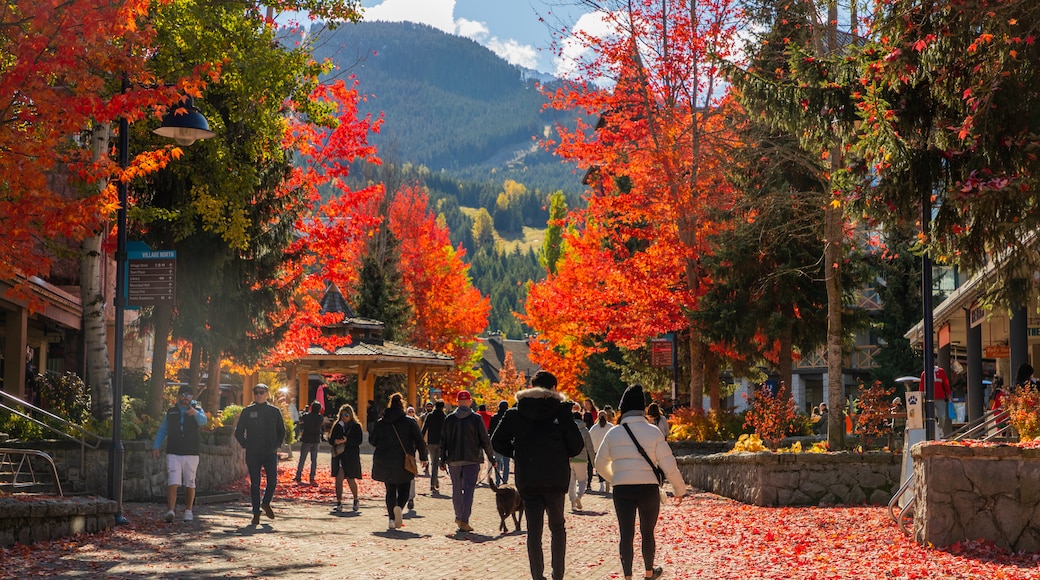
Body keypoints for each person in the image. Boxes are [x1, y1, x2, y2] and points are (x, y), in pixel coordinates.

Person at [491, 370, 585, 580]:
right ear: (553, 388)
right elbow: (577, 445)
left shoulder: (516, 412)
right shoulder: (561, 413)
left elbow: (497, 441)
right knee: (557, 527)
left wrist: (517, 452)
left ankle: (537, 576)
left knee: (534, 531)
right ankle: (557, 575)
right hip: (556, 478)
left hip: (528, 479)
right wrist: (561, 453)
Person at [595, 384, 687, 580]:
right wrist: (679, 489)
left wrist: (616, 478)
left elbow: (599, 464)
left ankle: (627, 576)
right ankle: (648, 572)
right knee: (647, 532)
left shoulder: (613, 433)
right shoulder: (654, 432)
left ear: (623, 408)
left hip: (622, 490)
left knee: (626, 534)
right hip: (648, 489)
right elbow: (668, 464)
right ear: (642, 408)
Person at [370, 393, 428, 531]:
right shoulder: (409, 422)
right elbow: (419, 440)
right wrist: (424, 457)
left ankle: (391, 518)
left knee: (390, 490)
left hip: (384, 459)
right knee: (404, 489)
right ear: (402, 405)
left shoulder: (381, 422)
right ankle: (399, 507)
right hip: (404, 459)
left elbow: (373, 441)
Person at [441, 389, 495, 532]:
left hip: (453, 460)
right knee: (469, 489)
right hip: (472, 459)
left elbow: (443, 441)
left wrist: (442, 460)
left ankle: (458, 515)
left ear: (458, 402)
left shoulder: (449, 419)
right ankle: (464, 519)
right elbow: (485, 439)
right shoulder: (476, 419)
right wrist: (491, 457)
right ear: (470, 401)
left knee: (456, 489)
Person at [152, 385, 208, 522]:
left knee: (190, 481)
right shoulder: (171, 412)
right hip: (174, 451)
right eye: (183, 394)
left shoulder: (197, 410)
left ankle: (188, 510)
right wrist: (156, 446)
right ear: (178, 396)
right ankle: (171, 510)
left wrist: (195, 413)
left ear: (192, 397)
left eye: (189, 394)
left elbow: (203, 421)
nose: (185, 397)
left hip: (191, 451)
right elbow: (163, 429)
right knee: (173, 480)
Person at [234, 383, 286, 526]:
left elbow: (281, 431)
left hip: (270, 452)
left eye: (261, 392)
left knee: (273, 481)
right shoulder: (247, 411)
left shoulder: (274, 411)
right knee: (255, 484)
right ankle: (256, 513)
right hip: (253, 453)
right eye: (256, 392)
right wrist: (246, 444)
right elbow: (238, 432)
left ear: (267, 393)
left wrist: (276, 445)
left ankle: (266, 503)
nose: (258, 394)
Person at [329, 403, 363, 512]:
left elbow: (359, 440)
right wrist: (336, 441)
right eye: (342, 414)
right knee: (339, 478)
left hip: (351, 456)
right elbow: (331, 439)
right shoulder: (337, 425)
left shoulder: (356, 426)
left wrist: (347, 441)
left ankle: (356, 499)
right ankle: (339, 502)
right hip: (339, 456)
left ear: (351, 415)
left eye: (346, 414)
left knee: (350, 479)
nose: (344, 417)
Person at [569, 412, 595, 512]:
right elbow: (590, 447)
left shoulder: (568, 430)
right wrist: (593, 462)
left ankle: (572, 504)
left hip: (570, 459)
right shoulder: (585, 431)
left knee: (571, 482)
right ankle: (578, 496)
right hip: (582, 459)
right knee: (582, 481)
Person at [294, 401, 324, 485]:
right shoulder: (320, 418)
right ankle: (312, 477)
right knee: (313, 460)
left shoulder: (307, 416)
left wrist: (306, 411)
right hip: (316, 439)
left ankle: (298, 475)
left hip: (307, 439)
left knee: (302, 458)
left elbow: (301, 418)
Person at [421, 400, 446, 494]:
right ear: (443, 407)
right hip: (441, 442)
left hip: (431, 442)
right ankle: (433, 483)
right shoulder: (444, 417)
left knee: (433, 462)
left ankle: (435, 481)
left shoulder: (430, 416)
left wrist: (420, 440)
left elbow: (424, 429)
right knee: (435, 463)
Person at [921, 364, 952, 437]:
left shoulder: (941, 371)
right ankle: (931, 433)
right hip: (928, 399)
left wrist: (949, 394)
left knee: (942, 416)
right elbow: (922, 386)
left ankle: (939, 429)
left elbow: (946, 383)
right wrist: (921, 397)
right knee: (929, 416)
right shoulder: (924, 373)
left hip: (940, 398)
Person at [588, 409, 614, 493]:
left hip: (597, 450)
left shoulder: (594, 427)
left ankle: (602, 483)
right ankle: (607, 483)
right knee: (608, 466)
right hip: (609, 450)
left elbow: (590, 438)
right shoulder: (610, 426)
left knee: (599, 467)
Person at [489, 400, 511, 485]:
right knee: (506, 464)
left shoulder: (494, 417)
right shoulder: (509, 417)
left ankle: (497, 480)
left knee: (497, 463)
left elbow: (490, 430)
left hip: (497, 444)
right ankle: (505, 481)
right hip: (507, 444)